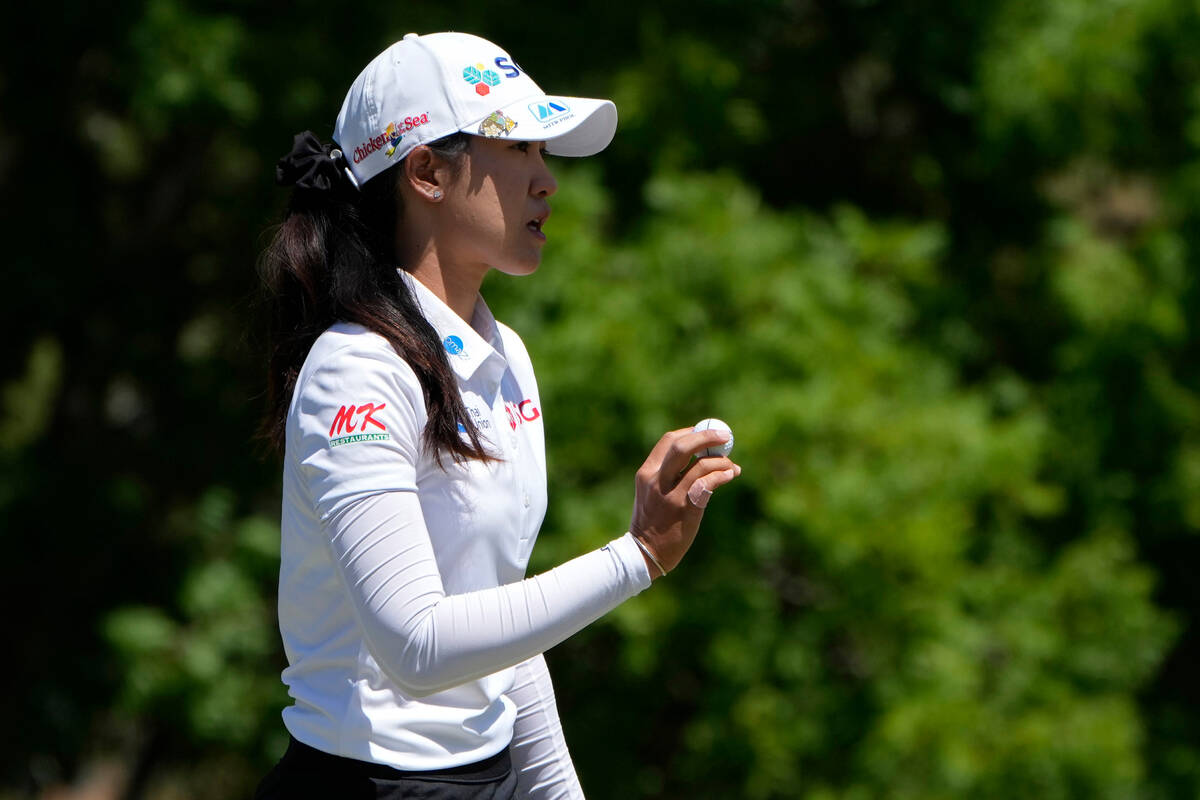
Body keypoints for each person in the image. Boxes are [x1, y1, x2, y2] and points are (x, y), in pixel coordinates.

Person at [255, 32, 741, 800]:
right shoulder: (357, 368)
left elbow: (503, 637)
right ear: (426, 172)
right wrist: (638, 556)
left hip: (483, 779)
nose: (547, 181)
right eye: (517, 148)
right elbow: (419, 645)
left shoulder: (503, 351)